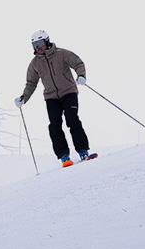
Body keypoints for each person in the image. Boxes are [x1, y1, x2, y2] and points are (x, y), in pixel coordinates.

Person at [16, 30, 96, 166]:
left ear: (47, 41)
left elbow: (78, 63)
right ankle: (64, 156)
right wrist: (24, 98)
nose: (38, 47)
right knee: (54, 125)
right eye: (35, 45)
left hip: (69, 92)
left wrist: (81, 76)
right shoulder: (35, 63)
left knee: (72, 119)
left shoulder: (62, 54)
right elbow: (31, 83)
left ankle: (83, 151)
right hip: (51, 97)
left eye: (40, 43)